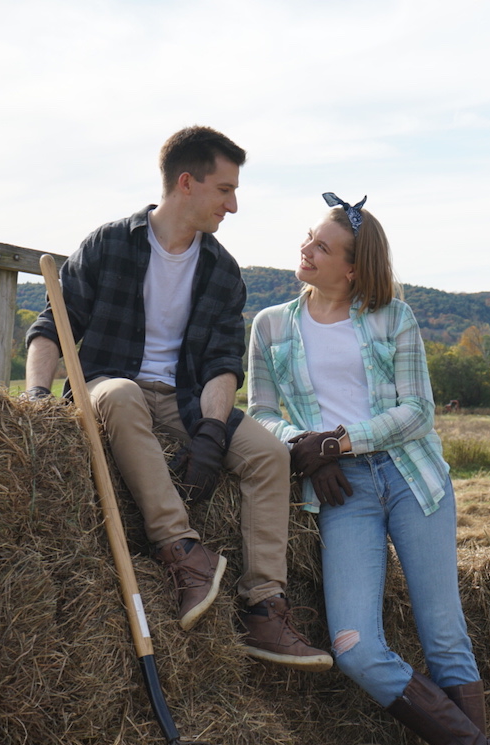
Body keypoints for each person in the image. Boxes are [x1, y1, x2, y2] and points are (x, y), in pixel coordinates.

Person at [247, 193, 490, 745]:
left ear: (352, 267)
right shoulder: (269, 325)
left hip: (410, 478)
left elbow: (418, 413)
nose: (306, 249)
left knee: (444, 635)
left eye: (321, 246)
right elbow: (261, 416)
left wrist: (341, 441)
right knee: (354, 647)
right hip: (340, 491)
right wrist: (306, 446)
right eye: (307, 238)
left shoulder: (392, 318)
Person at [24, 126, 331, 673]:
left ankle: (264, 605)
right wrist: (33, 400)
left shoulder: (221, 270)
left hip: (186, 399)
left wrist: (212, 432)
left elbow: (221, 364)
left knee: (268, 454)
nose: (233, 205)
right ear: (186, 183)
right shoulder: (109, 245)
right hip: (108, 385)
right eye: (225, 189)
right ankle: (184, 553)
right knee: (119, 394)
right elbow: (53, 327)